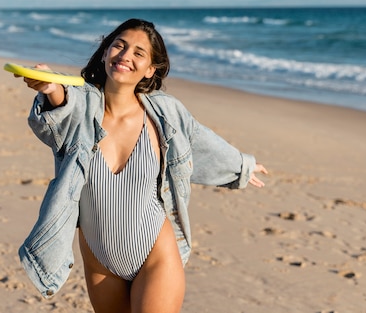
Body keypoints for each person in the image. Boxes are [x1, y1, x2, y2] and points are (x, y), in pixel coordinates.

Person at [14, 18, 267, 313]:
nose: (125, 56)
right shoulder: (81, 109)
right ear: (105, 52)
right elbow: (59, 104)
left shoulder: (165, 114)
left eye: (138, 53)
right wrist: (49, 86)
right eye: (118, 45)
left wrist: (241, 166)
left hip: (156, 256)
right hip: (100, 264)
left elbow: (199, 140)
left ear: (150, 69)